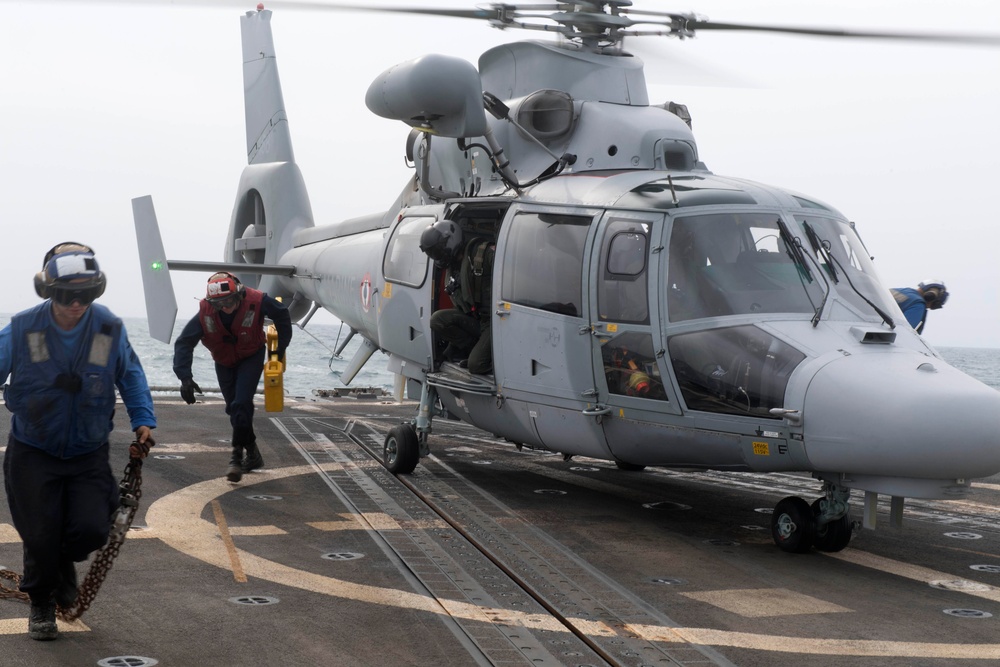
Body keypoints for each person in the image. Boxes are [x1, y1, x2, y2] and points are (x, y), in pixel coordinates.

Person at [1, 242, 156, 641]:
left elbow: (132, 375)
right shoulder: (22, 329)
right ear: (49, 291)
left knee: (90, 530)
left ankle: (59, 565)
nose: (76, 304)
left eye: (85, 295)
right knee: (39, 534)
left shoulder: (107, 328)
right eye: (68, 295)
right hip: (33, 450)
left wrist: (143, 419)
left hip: (87, 451)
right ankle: (41, 605)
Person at [173, 272, 291, 483]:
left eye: (228, 301)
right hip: (224, 361)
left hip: (251, 356)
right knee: (234, 409)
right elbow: (184, 343)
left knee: (241, 403)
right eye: (219, 304)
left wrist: (279, 349)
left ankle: (236, 457)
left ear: (239, 294)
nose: (225, 307)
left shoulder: (257, 300)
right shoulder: (205, 312)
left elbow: (282, 314)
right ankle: (253, 452)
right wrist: (185, 378)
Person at [420, 221, 495, 374]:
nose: (438, 256)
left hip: (494, 321)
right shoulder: (453, 268)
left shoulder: (484, 254)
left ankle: (491, 358)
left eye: (438, 251)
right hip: (476, 320)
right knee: (438, 319)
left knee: (476, 366)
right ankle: (475, 349)